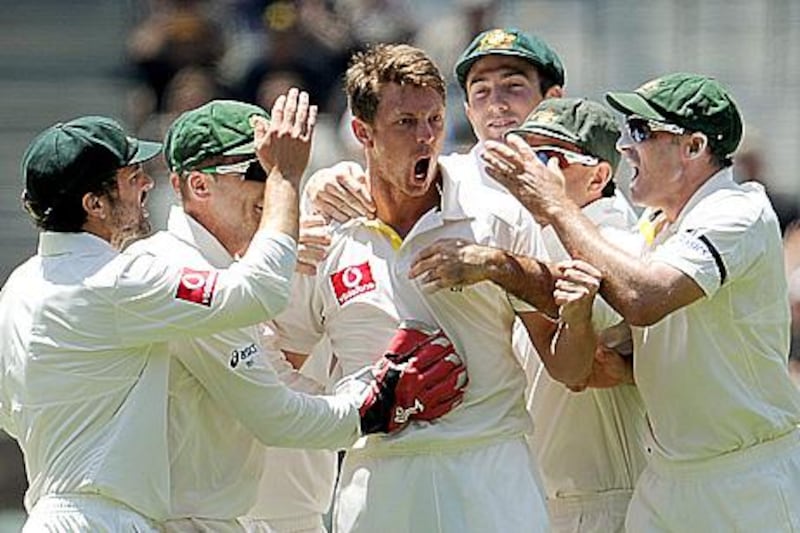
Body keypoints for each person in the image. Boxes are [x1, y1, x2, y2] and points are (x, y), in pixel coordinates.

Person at [0, 100, 464, 531]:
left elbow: (9, 414)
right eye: (129, 176)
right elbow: (258, 300)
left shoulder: (20, 285)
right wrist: (377, 406)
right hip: (117, 519)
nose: (146, 183)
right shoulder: (131, 279)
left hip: (52, 513)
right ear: (94, 204)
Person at [272, 42, 590, 533]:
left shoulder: (495, 217)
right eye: (405, 124)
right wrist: (358, 406)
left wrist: (513, 274)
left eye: (434, 121)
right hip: (379, 481)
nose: (426, 139)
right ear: (363, 132)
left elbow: (566, 356)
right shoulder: (326, 233)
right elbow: (283, 365)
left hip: (490, 472)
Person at [484, 72, 800, 531]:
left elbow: (642, 297)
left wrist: (556, 207)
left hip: (743, 478)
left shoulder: (738, 209)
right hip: (665, 478)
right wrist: (635, 369)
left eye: (641, 132)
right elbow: (606, 310)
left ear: (693, 148)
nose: (626, 146)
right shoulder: (658, 223)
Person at [501, 98, 647, 532]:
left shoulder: (622, 242)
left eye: (546, 157)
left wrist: (492, 266)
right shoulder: (534, 231)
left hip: (599, 499)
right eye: (523, 155)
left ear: (599, 175)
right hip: (539, 492)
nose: (528, 170)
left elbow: (591, 320)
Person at [304, 27, 565, 221]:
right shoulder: (446, 181)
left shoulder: (591, 178)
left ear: (552, 99)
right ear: (468, 112)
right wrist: (320, 184)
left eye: (514, 86)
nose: (496, 104)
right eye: (481, 91)